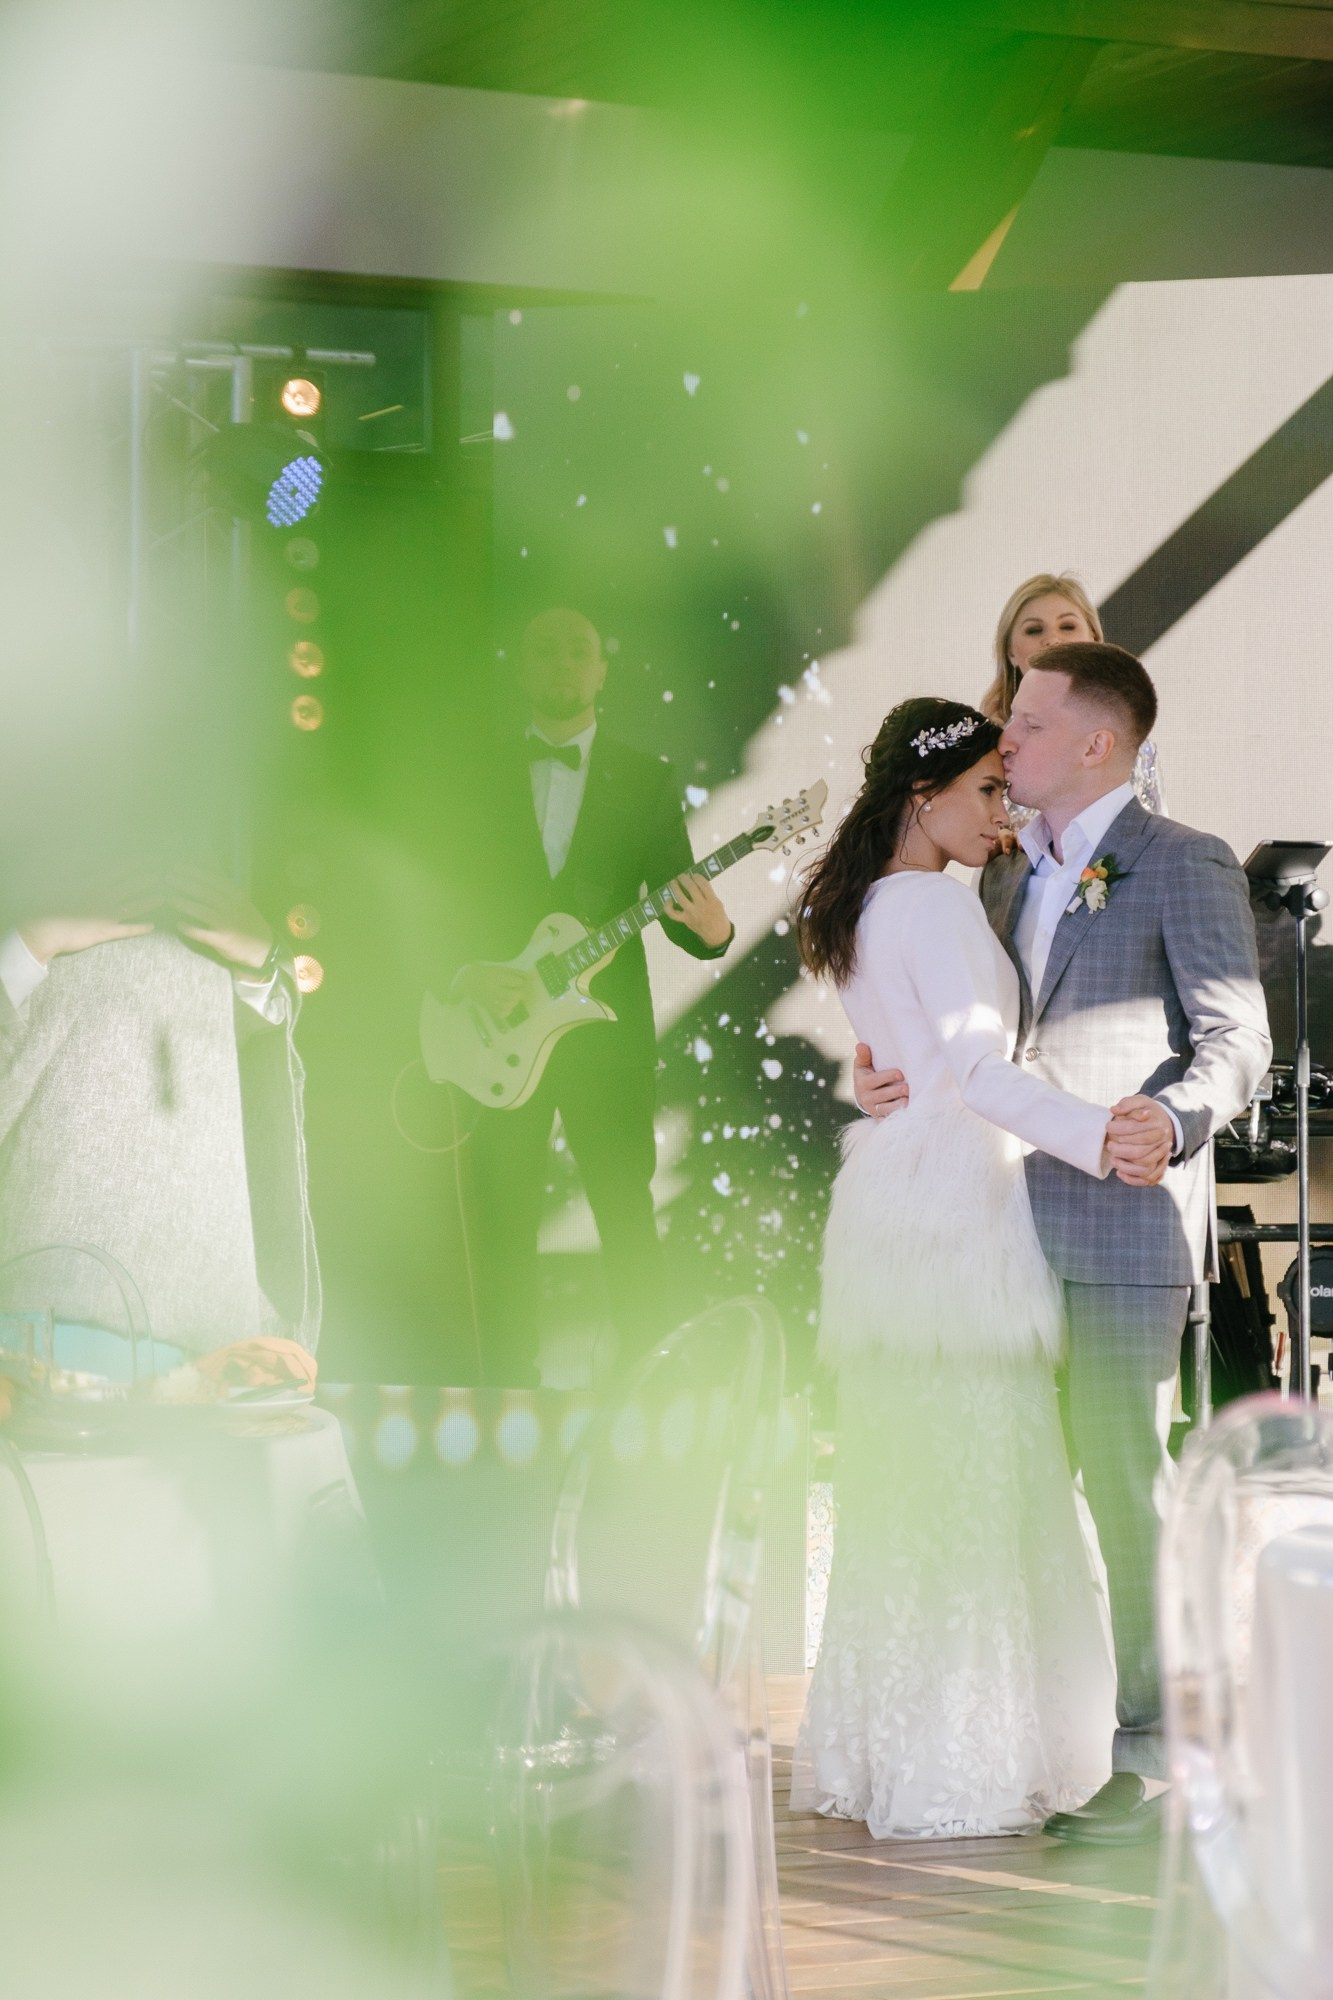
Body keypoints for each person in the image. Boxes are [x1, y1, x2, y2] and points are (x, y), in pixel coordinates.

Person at [851, 645, 1271, 1842]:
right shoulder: (989, 871)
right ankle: (1038, 1731)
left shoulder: (1180, 858)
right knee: (1015, 1494)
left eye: (1028, 724)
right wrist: (877, 1077)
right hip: (990, 1224)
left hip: (1117, 1218)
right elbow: (956, 1037)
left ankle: (1156, 1755)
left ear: (1096, 742)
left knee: (1124, 1478)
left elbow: (1235, 1038)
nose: (1007, 738)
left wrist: (1174, 1118)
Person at [788, 696, 1135, 1840]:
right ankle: (965, 1758)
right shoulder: (933, 904)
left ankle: (887, 1749)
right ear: (921, 794)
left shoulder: (859, 906)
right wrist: (1103, 1135)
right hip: (958, 1223)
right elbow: (979, 1075)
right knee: (981, 1486)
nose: (1003, 812)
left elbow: (900, 1060)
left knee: (907, 1490)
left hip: (896, 1218)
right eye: (987, 790)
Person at [452, 606, 734, 1386]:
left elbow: (680, 913)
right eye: (544, 649)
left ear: (601, 670)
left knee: (624, 1207)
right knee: (503, 1213)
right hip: (501, 1022)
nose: (561, 663)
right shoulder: (479, 771)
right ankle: (505, 1393)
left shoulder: (644, 776)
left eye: (577, 650)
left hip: (606, 1034)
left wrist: (714, 931)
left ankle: (649, 1387)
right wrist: (464, 973)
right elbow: (444, 897)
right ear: (522, 665)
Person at [0, 864, 320, 1376]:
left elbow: (252, 1067)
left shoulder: (214, 913)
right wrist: (31, 940)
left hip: (199, 1325)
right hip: (38, 1311)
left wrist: (263, 961)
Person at [982, 572, 1164, 814]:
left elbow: (1148, 830)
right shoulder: (985, 746)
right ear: (1010, 652)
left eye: (1068, 626)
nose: (1053, 640)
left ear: (1094, 639)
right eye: (1034, 630)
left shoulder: (1130, 744)